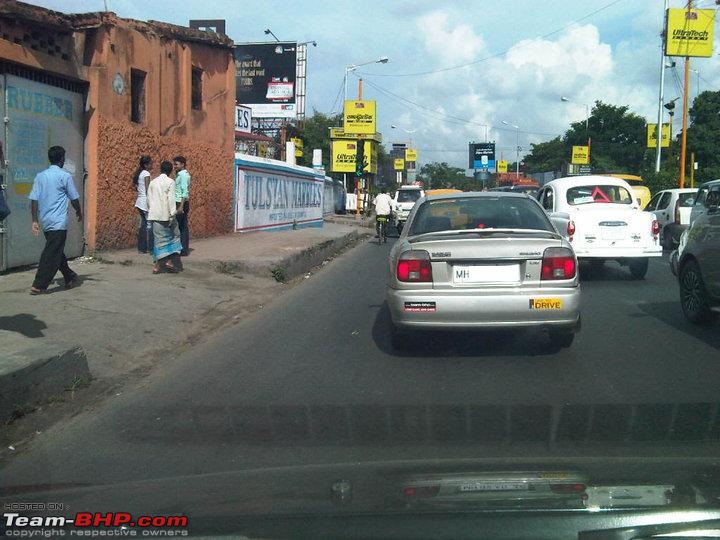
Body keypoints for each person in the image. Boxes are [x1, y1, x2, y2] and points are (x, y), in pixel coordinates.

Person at [28, 146, 82, 295]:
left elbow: (33, 200)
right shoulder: (64, 176)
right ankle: (40, 284)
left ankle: (69, 276)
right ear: (62, 159)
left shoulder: (40, 176)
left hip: (46, 221)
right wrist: (79, 211)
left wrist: (34, 220)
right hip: (58, 222)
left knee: (55, 249)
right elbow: (74, 198)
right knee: (51, 253)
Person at [147, 160, 182, 274]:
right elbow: (171, 200)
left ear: (160, 169)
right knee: (175, 237)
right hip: (166, 216)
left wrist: (151, 212)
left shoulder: (153, 182)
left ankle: (157, 266)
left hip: (155, 215)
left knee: (159, 241)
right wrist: (172, 215)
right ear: (171, 171)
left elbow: (149, 200)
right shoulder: (170, 182)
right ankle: (170, 261)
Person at [133, 155, 154, 253]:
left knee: (143, 225)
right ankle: (150, 248)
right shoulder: (146, 173)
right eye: (150, 163)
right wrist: (151, 203)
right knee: (149, 225)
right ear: (146, 165)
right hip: (145, 202)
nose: (152, 165)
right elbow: (147, 189)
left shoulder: (140, 173)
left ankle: (141, 248)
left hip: (139, 201)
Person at [173, 156, 191, 256]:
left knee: (181, 226)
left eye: (176, 164)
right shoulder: (182, 174)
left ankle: (183, 249)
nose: (174, 166)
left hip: (181, 202)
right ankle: (183, 249)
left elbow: (184, 192)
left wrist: (180, 206)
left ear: (182, 164)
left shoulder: (183, 175)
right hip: (182, 202)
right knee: (182, 226)